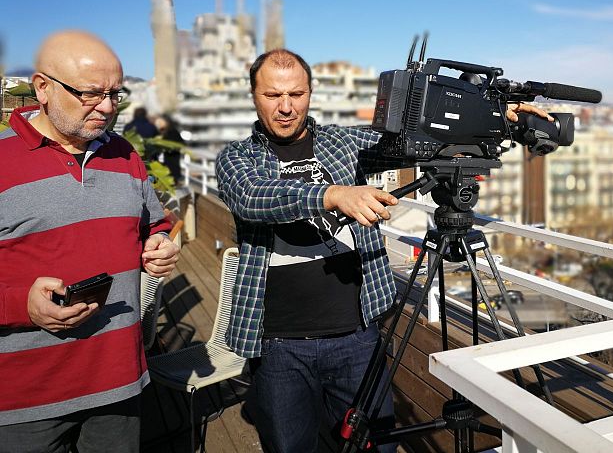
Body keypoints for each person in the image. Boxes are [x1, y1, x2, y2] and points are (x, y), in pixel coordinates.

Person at [215, 49, 551, 453]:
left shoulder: (340, 142)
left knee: (376, 445)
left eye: (296, 94)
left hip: (357, 333)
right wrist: (334, 194)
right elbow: (253, 197)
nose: (286, 107)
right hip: (278, 341)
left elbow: (405, 141)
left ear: (310, 93)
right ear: (253, 96)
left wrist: (496, 115)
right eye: (272, 96)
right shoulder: (237, 158)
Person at [0, 30, 180, 453]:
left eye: (115, 94)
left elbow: (154, 224)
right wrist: (19, 305)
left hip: (120, 382)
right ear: (42, 88)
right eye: (90, 93)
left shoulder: (125, 154)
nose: (106, 107)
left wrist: (159, 244)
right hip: (26, 400)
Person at [154, 114, 185, 184]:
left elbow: (181, 144)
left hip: (171, 158)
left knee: (171, 175)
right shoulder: (169, 131)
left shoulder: (171, 132)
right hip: (170, 158)